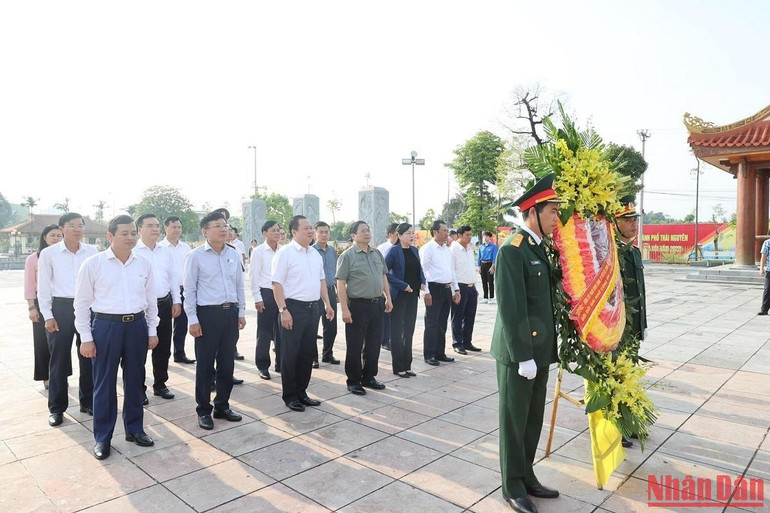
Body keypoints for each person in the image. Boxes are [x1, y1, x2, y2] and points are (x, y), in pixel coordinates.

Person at [491, 173, 563, 513]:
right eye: (552, 211)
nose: (556, 218)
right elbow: (511, 308)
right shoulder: (512, 250)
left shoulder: (539, 248)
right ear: (533, 211)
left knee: (533, 419)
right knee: (514, 420)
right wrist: (523, 355)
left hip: (539, 352)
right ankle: (512, 486)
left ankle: (527, 474)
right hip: (519, 354)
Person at [74, 215, 160, 460]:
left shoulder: (143, 264)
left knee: (135, 380)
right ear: (110, 236)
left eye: (133, 232)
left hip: (136, 326)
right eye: (125, 233)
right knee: (104, 384)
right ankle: (103, 437)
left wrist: (152, 330)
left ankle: (135, 429)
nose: (130, 237)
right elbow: (81, 305)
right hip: (105, 326)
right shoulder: (93, 264)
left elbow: (151, 300)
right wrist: (86, 338)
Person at [184, 211, 246, 430]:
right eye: (217, 226)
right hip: (207, 315)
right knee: (205, 364)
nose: (223, 229)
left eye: (225, 225)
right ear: (205, 231)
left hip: (230, 314)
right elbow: (189, 290)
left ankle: (222, 405)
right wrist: (192, 319)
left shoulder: (234, 253)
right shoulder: (195, 256)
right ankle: (203, 410)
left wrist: (240, 312)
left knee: (227, 363)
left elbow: (239, 285)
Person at [38, 212, 98, 427]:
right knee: (59, 360)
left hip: (88, 309)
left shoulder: (92, 252)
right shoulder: (49, 254)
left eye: (80, 225)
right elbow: (43, 287)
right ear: (62, 228)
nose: (77, 229)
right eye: (72, 225)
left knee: (89, 356)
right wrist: (48, 315)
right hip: (61, 308)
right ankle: (57, 408)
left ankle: (88, 401)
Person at [271, 215, 334, 412]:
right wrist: (283, 310)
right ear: (293, 232)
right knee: (291, 353)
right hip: (293, 308)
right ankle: (290, 395)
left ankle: (302, 392)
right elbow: (276, 283)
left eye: (310, 228)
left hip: (313, 308)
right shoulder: (285, 253)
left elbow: (322, 281)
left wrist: (328, 304)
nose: (310, 231)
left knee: (307, 353)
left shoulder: (314, 254)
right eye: (306, 228)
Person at [336, 221, 392, 395]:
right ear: (353, 235)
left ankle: (369, 377)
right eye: (363, 231)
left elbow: (383, 276)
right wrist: (344, 309)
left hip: (377, 304)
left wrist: (388, 298)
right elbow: (340, 283)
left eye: (368, 230)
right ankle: (353, 380)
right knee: (355, 345)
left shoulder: (376, 253)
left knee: (374, 344)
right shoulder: (347, 256)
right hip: (357, 305)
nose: (367, 233)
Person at [134, 214, 182, 403]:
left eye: (156, 225)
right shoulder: (134, 251)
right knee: (138, 349)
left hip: (164, 304)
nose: (155, 229)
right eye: (149, 226)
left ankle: (160, 384)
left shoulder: (165, 251)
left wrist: (176, 301)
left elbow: (173, 277)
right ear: (139, 229)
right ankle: (139, 388)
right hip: (140, 308)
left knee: (163, 347)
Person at [25, 225, 63, 389]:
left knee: (61, 341)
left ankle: (61, 374)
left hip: (62, 302)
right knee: (42, 341)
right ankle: (46, 376)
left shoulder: (64, 257)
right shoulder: (34, 258)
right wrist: (32, 307)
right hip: (41, 303)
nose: (56, 238)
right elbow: (29, 284)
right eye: (52, 235)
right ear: (44, 237)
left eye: (59, 235)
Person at [385, 223, 425, 377]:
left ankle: (407, 365)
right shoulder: (394, 251)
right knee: (397, 332)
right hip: (399, 296)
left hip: (413, 295)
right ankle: (398, 366)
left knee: (409, 331)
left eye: (412, 233)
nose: (411, 236)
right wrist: (402, 285)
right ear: (399, 236)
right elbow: (385, 273)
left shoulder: (415, 250)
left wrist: (422, 281)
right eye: (408, 233)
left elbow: (419, 269)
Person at [420, 220, 461, 366]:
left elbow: (451, 271)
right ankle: (429, 354)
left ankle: (440, 352)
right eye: (444, 231)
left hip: (446, 289)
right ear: (435, 232)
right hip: (433, 289)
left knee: (442, 323)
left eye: (447, 231)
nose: (447, 234)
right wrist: (426, 292)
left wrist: (456, 289)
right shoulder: (428, 249)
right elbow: (423, 271)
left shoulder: (446, 250)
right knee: (431, 323)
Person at [158, 216, 195, 364]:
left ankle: (179, 353)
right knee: (163, 326)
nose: (177, 230)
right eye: (174, 227)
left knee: (181, 324)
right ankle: (161, 355)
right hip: (165, 292)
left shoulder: (186, 248)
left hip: (183, 290)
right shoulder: (159, 248)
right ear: (166, 228)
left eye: (179, 227)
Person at [251, 220, 282, 380]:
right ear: (265, 233)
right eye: (273, 230)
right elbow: (254, 276)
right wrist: (257, 298)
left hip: (282, 294)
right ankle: (263, 366)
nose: (277, 233)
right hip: (266, 294)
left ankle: (280, 363)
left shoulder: (283, 250)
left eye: (278, 230)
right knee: (264, 332)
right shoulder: (258, 251)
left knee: (282, 330)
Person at [312, 221, 340, 366]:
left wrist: (337, 291)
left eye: (326, 232)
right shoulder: (310, 251)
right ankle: (313, 358)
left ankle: (327, 354)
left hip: (330, 291)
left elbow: (335, 273)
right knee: (312, 327)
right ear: (315, 233)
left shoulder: (332, 251)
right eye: (321, 232)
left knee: (331, 326)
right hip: (314, 293)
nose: (324, 235)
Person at [450, 225, 481, 355]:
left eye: (470, 234)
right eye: (467, 235)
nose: (469, 237)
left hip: (471, 287)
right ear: (460, 235)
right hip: (460, 287)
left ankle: (467, 342)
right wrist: (454, 290)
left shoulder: (469, 249)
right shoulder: (453, 250)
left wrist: (475, 287)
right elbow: (451, 271)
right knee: (457, 317)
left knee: (470, 316)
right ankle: (457, 343)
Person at [378, 223, 398, 352]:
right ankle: (384, 340)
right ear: (390, 234)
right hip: (386, 286)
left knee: (396, 316)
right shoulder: (382, 248)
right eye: (397, 234)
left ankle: (393, 339)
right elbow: (382, 271)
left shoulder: (403, 247)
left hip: (398, 287)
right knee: (386, 316)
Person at [478, 231, 498, 304]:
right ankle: (485, 297)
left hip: (489, 264)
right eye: (484, 236)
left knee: (490, 281)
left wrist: (493, 266)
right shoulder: (481, 247)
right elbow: (479, 257)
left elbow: (495, 257)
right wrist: (479, 266)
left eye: (486, 236)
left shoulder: (493, 247)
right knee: (484, 281)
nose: (484, 237)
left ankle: (492, 297)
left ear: (489, 237)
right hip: (483, 264)